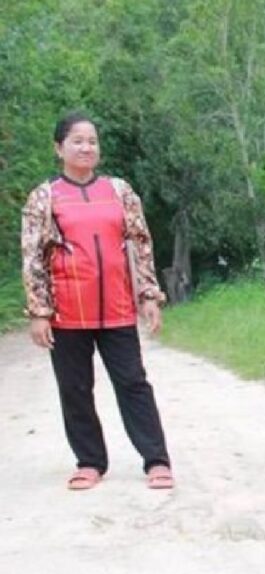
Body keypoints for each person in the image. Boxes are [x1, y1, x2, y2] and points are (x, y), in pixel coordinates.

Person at [21, 112, 173, 491]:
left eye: (92, 140)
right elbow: (32, 256)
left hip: (118, 310)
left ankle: (156, 460)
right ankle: (89, 462)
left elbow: (141, 245)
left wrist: (149, 295)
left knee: (134, 383)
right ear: (59, 148)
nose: (86, 147)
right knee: (75, 388)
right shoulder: (45, 197)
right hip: (67, 314)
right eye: (77, 140)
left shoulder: (119, 191)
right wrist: (40, 312)